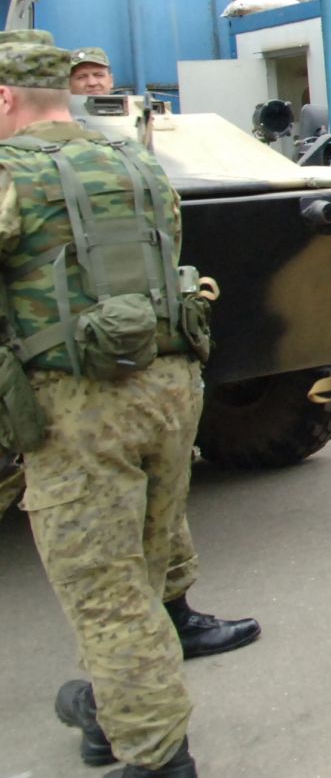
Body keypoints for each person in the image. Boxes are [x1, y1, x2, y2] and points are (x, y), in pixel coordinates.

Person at [20, 31, 263, 666]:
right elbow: (170, 242)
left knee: (106, 576)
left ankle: (130, 711)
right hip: (166, 373)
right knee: (155, 515)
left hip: (77, 391)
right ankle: (161, 638)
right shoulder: (133, 158)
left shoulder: (15, 171)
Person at [1, 40, 208, 776]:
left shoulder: (10, 172)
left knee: (105, 591)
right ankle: (109, 711)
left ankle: (156, 758)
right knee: (140, 576)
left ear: (3, 99)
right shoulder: (135, 160)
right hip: (171, 388)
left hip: (81, 405)